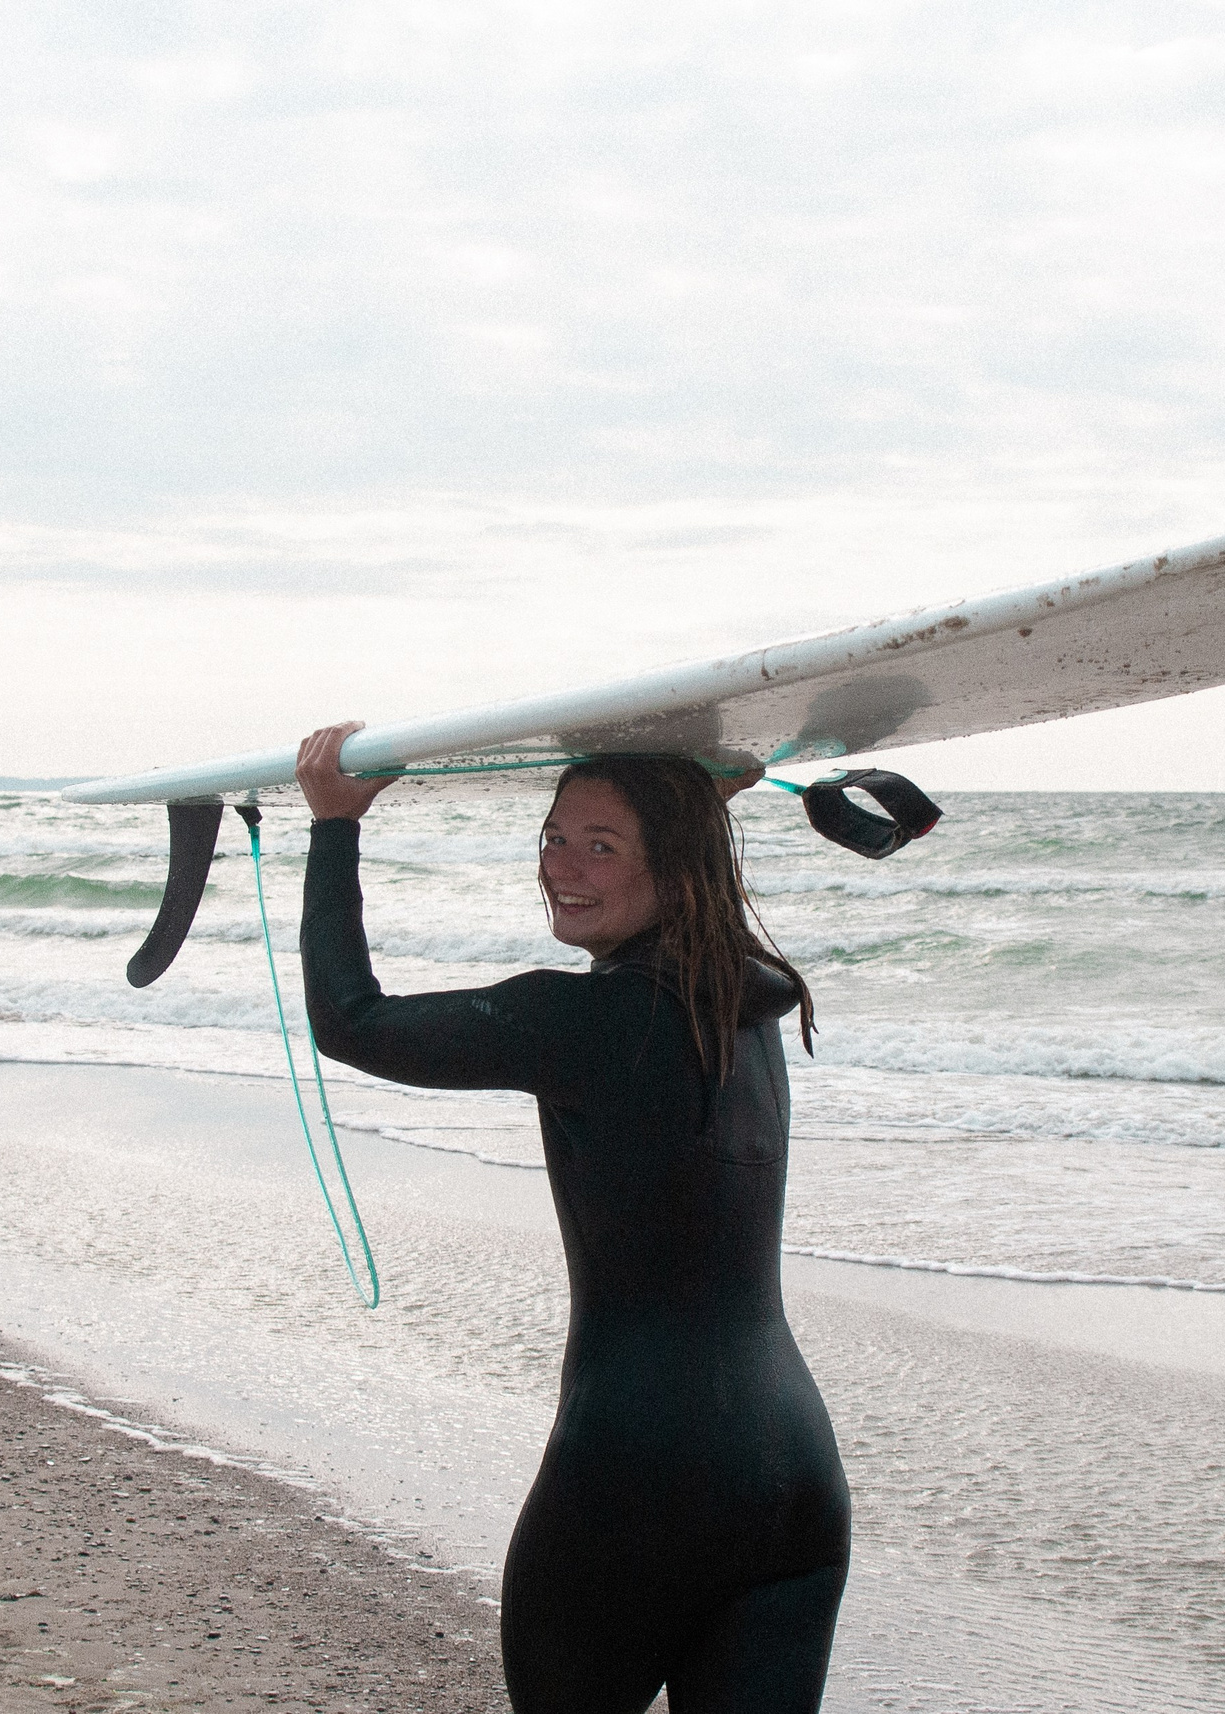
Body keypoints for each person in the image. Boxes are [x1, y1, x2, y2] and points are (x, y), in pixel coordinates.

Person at [296, 723, 849, 1714]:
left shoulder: (581, 1021)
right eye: (555, 835)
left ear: (673, 866)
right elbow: (691, 893)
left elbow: (352, 1020)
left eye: (601, 845)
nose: (562, 866)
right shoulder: (743, 995)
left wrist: (334, 826)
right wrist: (693, 810)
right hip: (791, 1482)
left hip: (632, 1483)